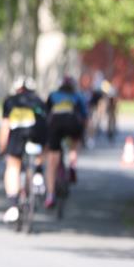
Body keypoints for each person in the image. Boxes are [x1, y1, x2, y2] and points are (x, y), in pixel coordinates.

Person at [0, 76, 47, 224]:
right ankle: (38, 174)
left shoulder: (10, 101)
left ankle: (13, 205)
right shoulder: (39, 101)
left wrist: (2, 148)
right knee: (42, 148)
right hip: (37, 132)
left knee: (12, 165)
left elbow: (5, 127)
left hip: (17, 133)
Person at [44, 75, 89, 208]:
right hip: (72, 124)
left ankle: (50, 195)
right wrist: (82, 135)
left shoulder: (53, 95)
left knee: (52, 162)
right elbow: (85, 117)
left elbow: (46, 114)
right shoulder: (78, 96)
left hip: (55, 125)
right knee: (74, 144)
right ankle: (72, 165)